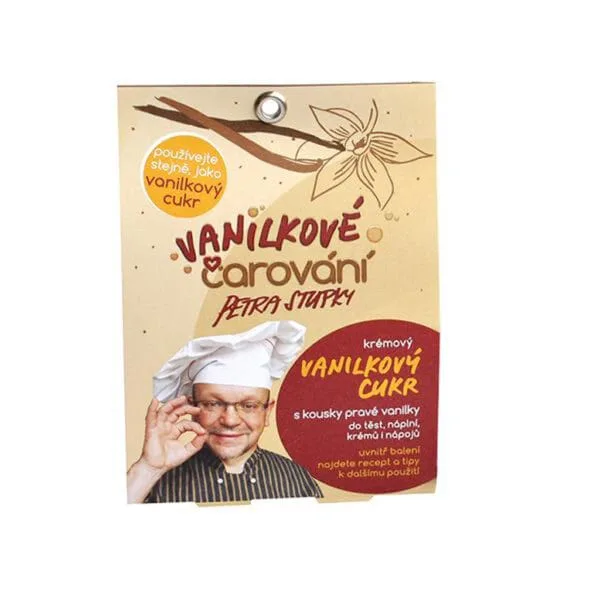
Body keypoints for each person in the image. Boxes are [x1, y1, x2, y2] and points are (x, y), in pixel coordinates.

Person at [127, 320, 322, 503]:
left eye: (248, 406)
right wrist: (148, 469)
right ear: (193, 409)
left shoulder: (297, 480)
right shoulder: (154, 481)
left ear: (267, 412)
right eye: (213, 404)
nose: (230, 420)